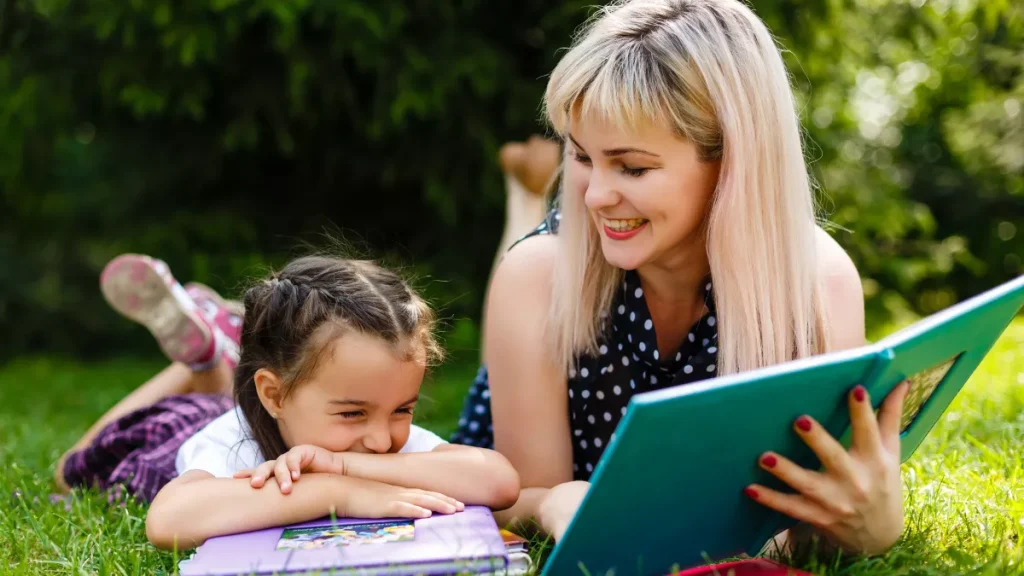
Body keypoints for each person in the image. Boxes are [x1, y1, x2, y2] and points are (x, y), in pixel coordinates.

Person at [451, 0, 909, 558]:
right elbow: (521, 495)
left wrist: (866, 530)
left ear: (732, 159)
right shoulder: (537, 276)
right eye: (581, 156)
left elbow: (802, 522)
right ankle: (523, 195)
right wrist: (549, 502)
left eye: (633, 167)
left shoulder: (817, 282)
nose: (594, 196)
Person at [54, 254, 520, 550]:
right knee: (72, 469)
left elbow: (497, 481)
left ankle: (215, 358)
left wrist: (342, 467)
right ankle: (196, 366)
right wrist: (340, 493)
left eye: (404, 409)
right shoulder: (229, 444)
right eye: (352, 412)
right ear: (274, 395)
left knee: (219, 391)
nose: (383, 439)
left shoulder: (368, 440)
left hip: (253, 401)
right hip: (174, 435)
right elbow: (168, 521)